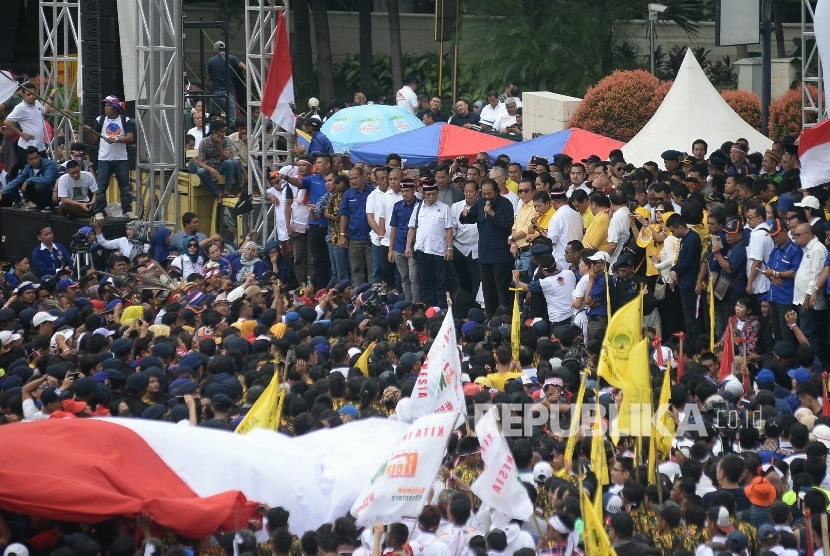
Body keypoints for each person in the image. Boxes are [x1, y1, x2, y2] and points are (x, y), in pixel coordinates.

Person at [460, 179, 514, 318]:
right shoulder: (480, 203)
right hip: (484, 255)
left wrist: (492, 214)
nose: (486, 196)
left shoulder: (505, 204)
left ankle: (504, 320)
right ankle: (491, 319)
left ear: (496, 192)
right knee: (488, 291)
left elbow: (508, 224)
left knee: (502, 291)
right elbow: (470, 218)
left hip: (501, 256)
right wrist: (464, 215)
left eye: (489, 193)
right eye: (483, 193)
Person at [84, 95, 136, 220]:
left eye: (108, 106)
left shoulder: (125, 120)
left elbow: (130, 137)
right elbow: (94, 139)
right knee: (101, 187)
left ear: (115, 107)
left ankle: (127, 211)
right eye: (105, 106)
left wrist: (116, 139)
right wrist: (91, 131)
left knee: (125, 186)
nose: (106, 108)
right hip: (104, 159)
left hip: (121, 159)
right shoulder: (100, 119)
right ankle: (99, 211)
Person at [406, 181, 453, 308]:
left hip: (439, 251)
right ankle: (429, 306)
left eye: (434, 194)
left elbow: (449, 229)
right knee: (426, 281)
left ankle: (442, 307)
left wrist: (449, 248)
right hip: (422, 250)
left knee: (441, 281)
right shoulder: (418, 208)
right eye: (428, 194)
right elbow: (412, 228)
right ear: (423, 194)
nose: (431, 197)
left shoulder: (444, 208)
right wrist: (408, 247)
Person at [668, 213, 702, 342]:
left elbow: (686, 262)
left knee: (692, 318)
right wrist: (673, 270)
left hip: (689, 284)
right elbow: (680, 260)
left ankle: (695, 344)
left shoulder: (692, 239)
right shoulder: (685, 239)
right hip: (683, 282)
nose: (673, 234)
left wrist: (676, 272)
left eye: (673, 231)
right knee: (687, 318)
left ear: (681, 227)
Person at [339, 167, 375, 285]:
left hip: (371, 238)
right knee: (357, 270)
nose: (353, 181)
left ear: (363, 177)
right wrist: (342, 235)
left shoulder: (373, 192)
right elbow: (344, 215)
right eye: (351, 179)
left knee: (372, 269)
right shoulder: (348, 194)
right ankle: (358, 296)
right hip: (354, 238)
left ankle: (371, 296)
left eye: (356, 178)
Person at [389, 179, 421, 302]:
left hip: (414, 246)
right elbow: (393, 229)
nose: (405, 194)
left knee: (414, 278)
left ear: (414, 190)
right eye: (402, 191)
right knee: (404, 278)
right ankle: (407, 303)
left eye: (407, 191)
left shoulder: (420, 205)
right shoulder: (397, 206)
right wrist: (390, 250)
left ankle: (416, 303)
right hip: (398, 246)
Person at [195, 120, 243, 202]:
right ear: (214, 132)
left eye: (224, 131)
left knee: (230, 162)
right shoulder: (204, 142)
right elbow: (200, 162)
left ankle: (227, 189)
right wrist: (210, 169)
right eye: (221, 132)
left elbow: (226, 157)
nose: (223, 134)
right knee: (201, 172)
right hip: (209, 167)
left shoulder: (226, 140)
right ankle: (217, 193)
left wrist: (219, 145)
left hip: (222, 167)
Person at [207, 40, 246, 118]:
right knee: (232, 119)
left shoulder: (211, 61)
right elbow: (245, 67)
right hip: (228, 93)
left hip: (215, 93)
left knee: (213, 117)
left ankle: (213, 129)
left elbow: (209, 78)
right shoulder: (232, 58)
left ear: (215, 51)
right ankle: (231, 130)